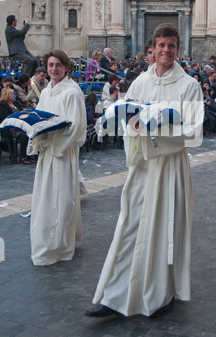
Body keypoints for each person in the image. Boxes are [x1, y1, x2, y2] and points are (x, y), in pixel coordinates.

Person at [85, 23, 203, 318]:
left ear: (178, 48)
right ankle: (115, 295)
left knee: (166, 228)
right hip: (142, 166)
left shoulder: (189, 85)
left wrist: (158, 129)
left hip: (171, 168)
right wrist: (134, 124)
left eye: (171, 45)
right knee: (129, 225)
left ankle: (162, 293)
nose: (166, 50)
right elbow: (127, 118)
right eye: (161, 45)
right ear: (154, 47)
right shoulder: (139, 82)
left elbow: (194, 132)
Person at [28, 50, 86, 266]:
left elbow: (76, 125)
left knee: (61, 197)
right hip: (47, 153)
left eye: (58, 65)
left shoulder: (72, 92)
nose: (54, 69)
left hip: (62, 153)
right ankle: (46, 239)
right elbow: (38, 119)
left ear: (66, 67)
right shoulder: (46, 92)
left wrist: (56, 144)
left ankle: (59, 245)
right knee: (46, 197)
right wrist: (38, 136)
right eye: (50, 65)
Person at [0, 88, 32, 164]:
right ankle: (23, 156)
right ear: (7, 95)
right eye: (12, 94)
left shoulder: (15, 103)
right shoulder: (2, 105)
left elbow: (21, 112)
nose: (14, 96)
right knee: (23, 135)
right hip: (9, 128)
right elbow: (6, 118)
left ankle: (30, 154)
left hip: (20, 125)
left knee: (31, 131)